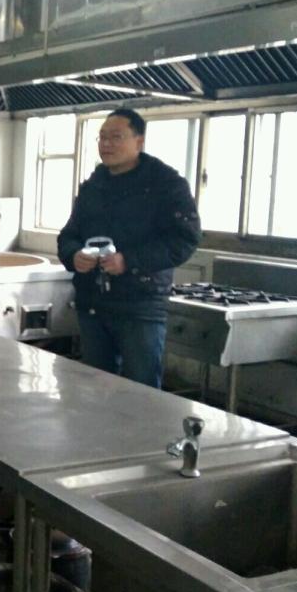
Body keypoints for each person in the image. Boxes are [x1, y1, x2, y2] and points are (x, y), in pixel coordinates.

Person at [57, 107, 201, 388]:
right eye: (102, 137)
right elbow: (69, 234)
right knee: (94, 389)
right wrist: (74, 255)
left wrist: (129, 261)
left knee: (140, 391)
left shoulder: (166, 185)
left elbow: (185, 240)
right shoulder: (93, 186)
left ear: (139, 141)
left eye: (116, 137)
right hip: (93, 303)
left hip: (140, 305)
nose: (106, 144)